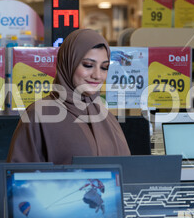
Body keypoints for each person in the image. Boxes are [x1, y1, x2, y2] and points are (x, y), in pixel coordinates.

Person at [7, 28, 130, 164]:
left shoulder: (106, 117)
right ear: (69, 63)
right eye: (88, 65)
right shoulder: (38, 114)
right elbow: (19, 177)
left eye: (104, 67)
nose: (97, 75)